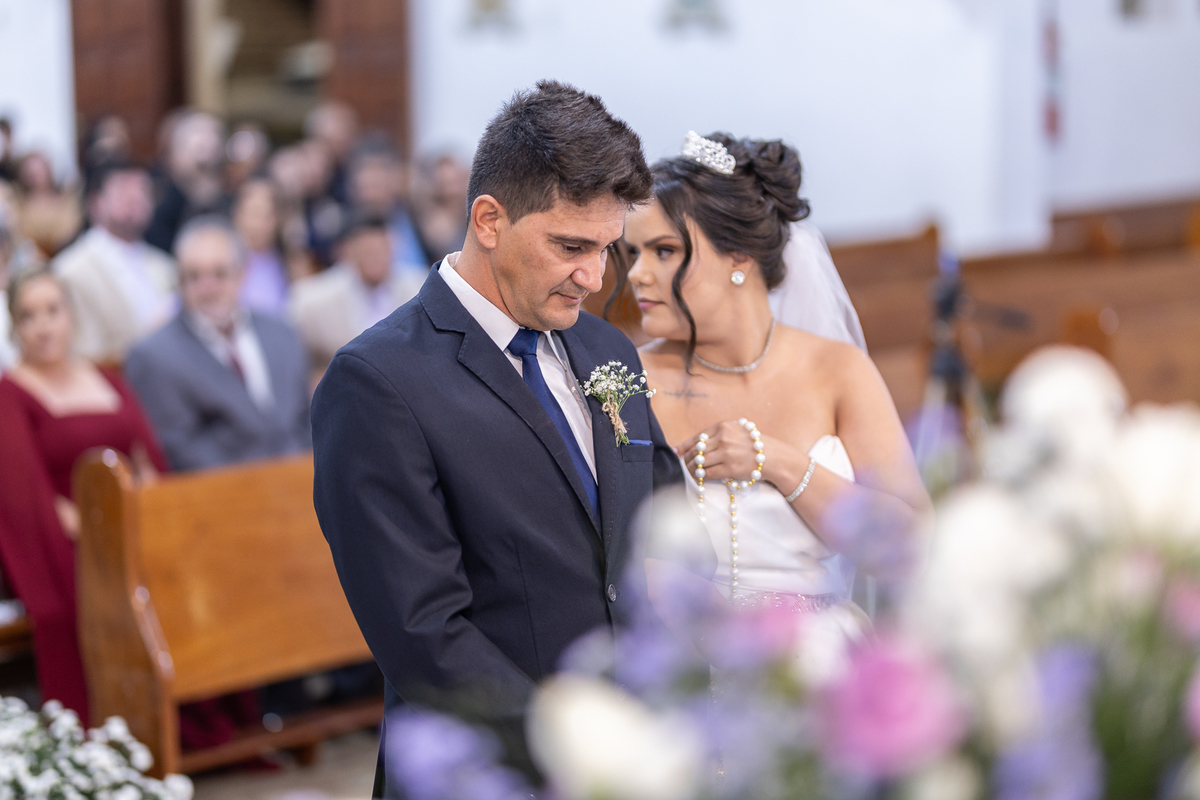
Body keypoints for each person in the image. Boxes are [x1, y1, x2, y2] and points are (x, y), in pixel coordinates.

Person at [310, 81, 682, 798]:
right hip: (485, 772)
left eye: (607, 248)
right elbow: (422, 635)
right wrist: (580, 747)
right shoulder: (377, 383)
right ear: (488, 219)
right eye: (570, 246)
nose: (594, 276)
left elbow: (661, 522)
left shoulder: (606, 349)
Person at [621, 132, 930, 619]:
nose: (637, 274)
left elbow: (910, 546)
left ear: (739, 257)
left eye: (663, 251)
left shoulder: (838, 370)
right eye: (633, 253)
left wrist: (778, 462)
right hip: (690, 647)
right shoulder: (631, 379)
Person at [0, 268, 167, 723]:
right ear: (15, 327)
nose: (43, 325)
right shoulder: (10, 393)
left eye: (52, 310)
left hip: (138, 530)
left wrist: (149, 514)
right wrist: (101, 532)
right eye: (29, 315)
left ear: (71, 315)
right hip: (70, 547)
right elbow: (25, 493)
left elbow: (145, 455)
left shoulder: (106, 378)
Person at [125, 217, 311, 471]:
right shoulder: (153, 356)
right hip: (224, 489)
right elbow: (180, 448)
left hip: (304, 481)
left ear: (242, 273)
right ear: (179, 281)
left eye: (220, 274)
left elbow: (305, 422)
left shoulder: (282, 334)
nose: (208, 288)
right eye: (194, 277)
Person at [52, 160, 176, 364]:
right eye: (124, 191)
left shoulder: (166, 266)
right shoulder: (70, 271)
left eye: (142, 191)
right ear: (95, 203)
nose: (135, 199)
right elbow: (83, 353)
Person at [288, 214, 422, 380]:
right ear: (350, 251)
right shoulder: (312, 301)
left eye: (382, 251)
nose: (376, 259)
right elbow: (294, 359)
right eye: (368, 252)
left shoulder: (419, 290)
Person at [346, 138, 430, 281]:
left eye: (381, 169)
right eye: (367, 169)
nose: (374, 178)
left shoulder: (416, 218)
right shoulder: (339, 224)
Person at [232, 177, 290, 318]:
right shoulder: (223, 261)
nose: (256, 224)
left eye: (264, 215)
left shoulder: (292, 265)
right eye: (251, 213)